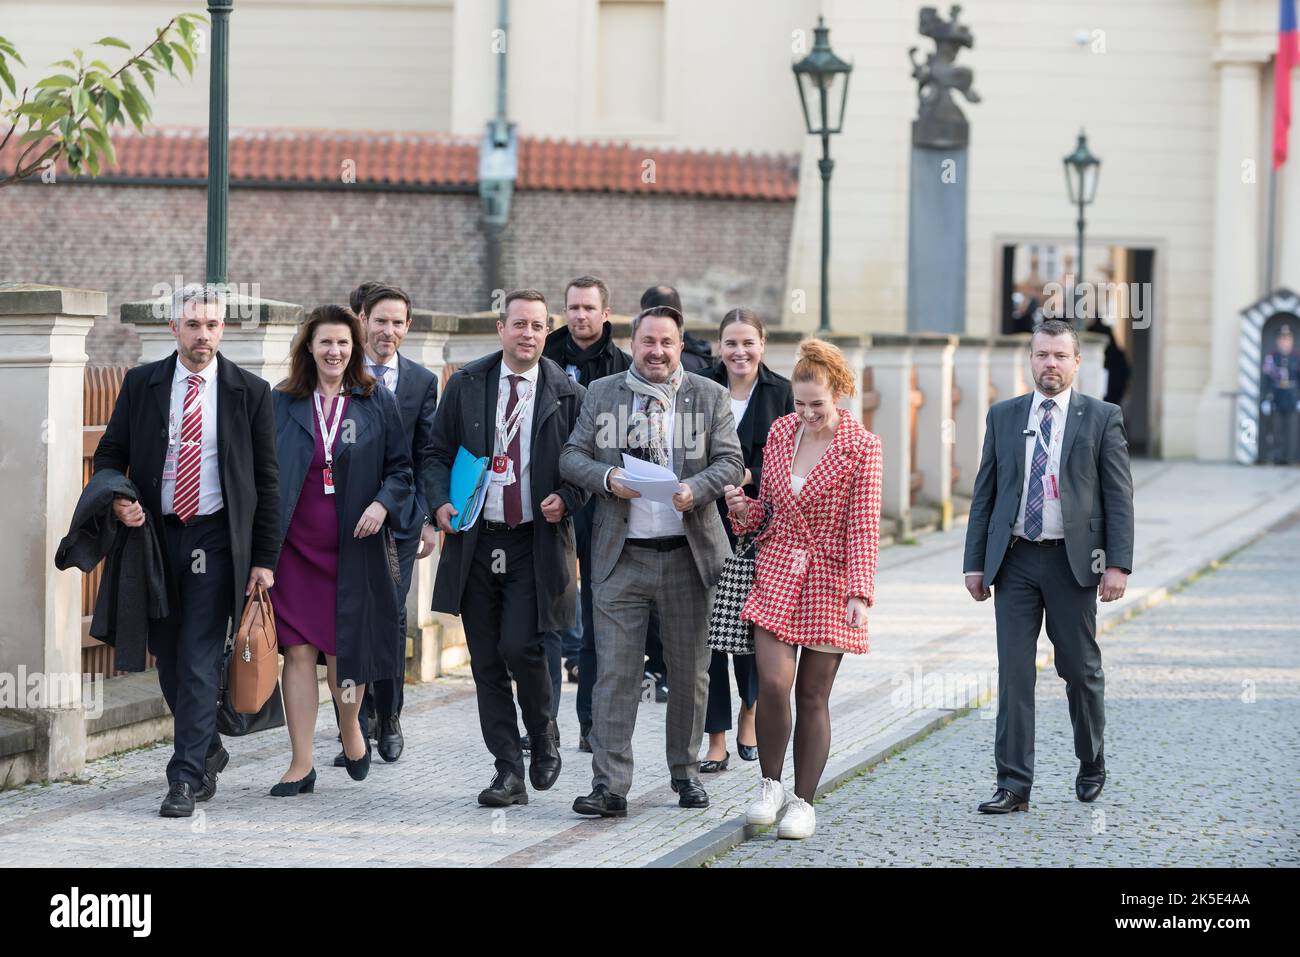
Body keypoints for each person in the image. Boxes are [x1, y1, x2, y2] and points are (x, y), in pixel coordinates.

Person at [92, 283, 280, 817]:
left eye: (213, 325)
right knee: (169, 659)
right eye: (193, 325)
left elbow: (268, 483)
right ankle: (208, 749)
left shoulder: (250, 392)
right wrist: (121, 499)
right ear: (174, 328)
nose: (203, 335)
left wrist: (264, 560)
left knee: (199, 656)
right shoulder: (142, 384)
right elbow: (110, 455)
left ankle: (183, 778)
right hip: (154, 539)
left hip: (216, 539)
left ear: (223, 330)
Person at [561, 304, 743, 817]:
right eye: (648, 342)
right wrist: (607, 479)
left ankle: (685, 773)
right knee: (615, 674)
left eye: (667, 342)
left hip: (689, 557)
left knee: (690, 673)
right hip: (622, 558)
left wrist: (695, 488)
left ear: (680, 345)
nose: (657, 351)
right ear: (633, 343)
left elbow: (731, 461)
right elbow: (571, 457)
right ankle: (610, 786)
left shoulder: (710, 395)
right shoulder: (603, 393)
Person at [963, 318, 1134, 814]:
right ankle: (1013, 784)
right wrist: (975, 563)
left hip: (1073, 564)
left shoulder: (1102, 417)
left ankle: (1091, 760)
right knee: (1014, 673)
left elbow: (1118, 497)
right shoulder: (1004, 416)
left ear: (1076, 362)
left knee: (1079, 670)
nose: (1050, 364)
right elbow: (985, 494)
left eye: (1060, 356)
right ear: (1030, 359)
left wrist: (1117, 563)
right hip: (1015, 560)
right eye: (1042, 355)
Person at [428, 289, 588, 807]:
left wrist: (566, 498)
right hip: (476, 540)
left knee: (523, 647)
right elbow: (435, 452)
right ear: (501, 329)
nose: (528, 334)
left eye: (538, 327)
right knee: (485, 662)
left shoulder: (566, 393)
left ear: (547, 332)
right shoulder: (468, 384)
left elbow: (585, 469)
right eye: (519, 324)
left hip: (532, 543)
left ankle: (542, 733)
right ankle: (507, 771)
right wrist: (438, 505)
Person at [725, 339, 882, 840]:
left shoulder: (863, 448)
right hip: (775, 568)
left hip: (831, 578)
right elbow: (767, 508)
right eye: (800, 402)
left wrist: (859, 592)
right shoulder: (781, 431)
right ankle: (769, 785)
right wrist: (743, 509)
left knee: (812, 694)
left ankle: (803, 801)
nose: (808, 412)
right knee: (771, 683)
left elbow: (863, 527)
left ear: (839, 394)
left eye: (817, 403)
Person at [269, 305, 413, 795]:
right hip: (296, 547)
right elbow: (265, 478)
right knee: (299, 652)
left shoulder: (376, 401)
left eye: (344, 343)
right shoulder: (282, 403)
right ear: (309, 347)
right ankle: (301, 761)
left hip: (356, 546)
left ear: (354, 349)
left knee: (343, 650)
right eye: (326, 342)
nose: (335, 351)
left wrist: (381, 504)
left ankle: (351, 727)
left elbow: (402, 471)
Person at [326, 281, 440, 766]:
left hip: (399, 523)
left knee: (390, 619)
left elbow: (425, 455)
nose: (388, 330)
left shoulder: (420, 382)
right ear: (362, 322)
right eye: (380, 321)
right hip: (346, 522)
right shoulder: (338, 376)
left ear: (406, 328)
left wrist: (430, 519)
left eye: (397, 322)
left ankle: (388, 717)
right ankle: (354, 726)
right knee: (347, 622)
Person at [699, 308, 793, 771]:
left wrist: (747, 476)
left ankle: (750, 711)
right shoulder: (700, 386)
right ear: (719, 345)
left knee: (754, 623)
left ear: (763, 344)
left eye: (748, 343)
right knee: (709, 629)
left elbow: (794, 453)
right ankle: (715, 736)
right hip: (703, 515)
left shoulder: (783, 393)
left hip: (761, 522)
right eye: (730, 343)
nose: (739, 352)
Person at [542, 275, 632, 753]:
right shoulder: (546, 357)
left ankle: (591, 721)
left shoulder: (623, 365)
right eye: (573, 307)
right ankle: (546, 723)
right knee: (552, 613)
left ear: (605, 312)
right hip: (552, 498)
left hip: (603, 500)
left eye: (589, 308)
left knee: (600, 614)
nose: (580, 316)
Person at [1262, 324, 1299, 465]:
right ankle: (1277, 456)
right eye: (1282, 339)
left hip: (1292, 397)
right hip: (1276, 397)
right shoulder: (1272, 357)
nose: (1284, 342)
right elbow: (1266, 379)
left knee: (1292, 430)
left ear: (1291, 341)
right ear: (1278, 341)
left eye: (1287, 339)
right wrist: (1265, 398)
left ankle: (1291, 457)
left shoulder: (1297, 357)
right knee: (1276, 430)